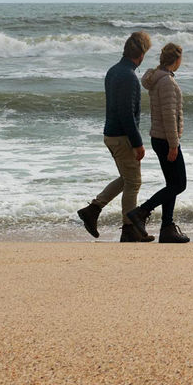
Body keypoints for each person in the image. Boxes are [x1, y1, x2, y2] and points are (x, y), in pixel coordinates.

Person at [77, 31, 154, 242]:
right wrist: (137, 143)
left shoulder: (113, 71)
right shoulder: (128, 76)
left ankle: (92, 210)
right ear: (141, 54)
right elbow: (126, 113)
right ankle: (129, 230)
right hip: (122, 137)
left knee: (126, 179)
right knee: (134, 182)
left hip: (111, 134)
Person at [126, 42, 190, 243]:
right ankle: (141, 212)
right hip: (166, 139)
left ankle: (167, 228)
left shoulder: (158, 79)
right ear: (177, 60)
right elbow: (169, 115)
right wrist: (173, 144)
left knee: (171, 184)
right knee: (179, 184)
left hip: (159, 137)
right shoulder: (167, 82)